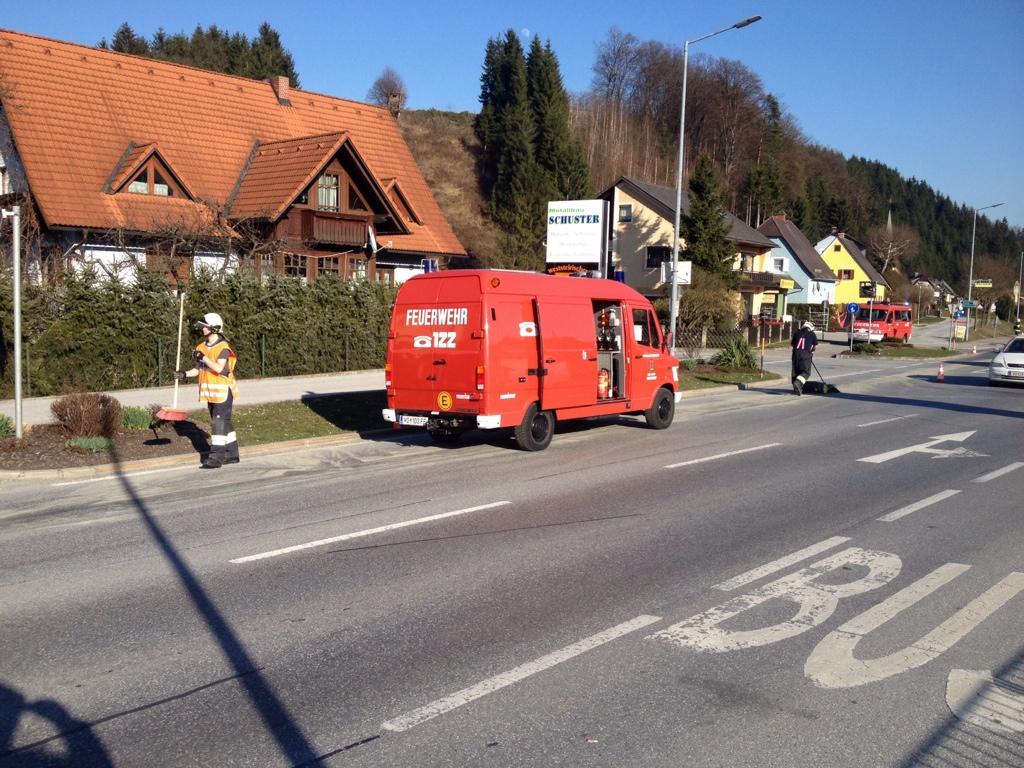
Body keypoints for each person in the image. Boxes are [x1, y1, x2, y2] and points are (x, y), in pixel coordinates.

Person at [176, 311, 239, 468]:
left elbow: (219, 368)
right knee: (224, 422)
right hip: (210, 393)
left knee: (218, 423)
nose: (202, 328)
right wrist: (184, 374)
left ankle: (216, 456)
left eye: (205, 326)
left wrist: (203, 357)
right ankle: (232, 453)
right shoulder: (201, 347)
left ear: (214, 328)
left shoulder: (223, 347)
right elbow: (199, 369)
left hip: (223, 392)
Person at [791, 320, 818, 396]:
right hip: (805, 355)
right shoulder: (812, 334)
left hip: (795, 354)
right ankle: (798, 383)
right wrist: (811, 352)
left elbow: (793, 344)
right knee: (806, 372)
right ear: (811, 328)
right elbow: (814, 347)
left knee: (795, 371)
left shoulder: (797, 333)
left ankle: (796, 388)